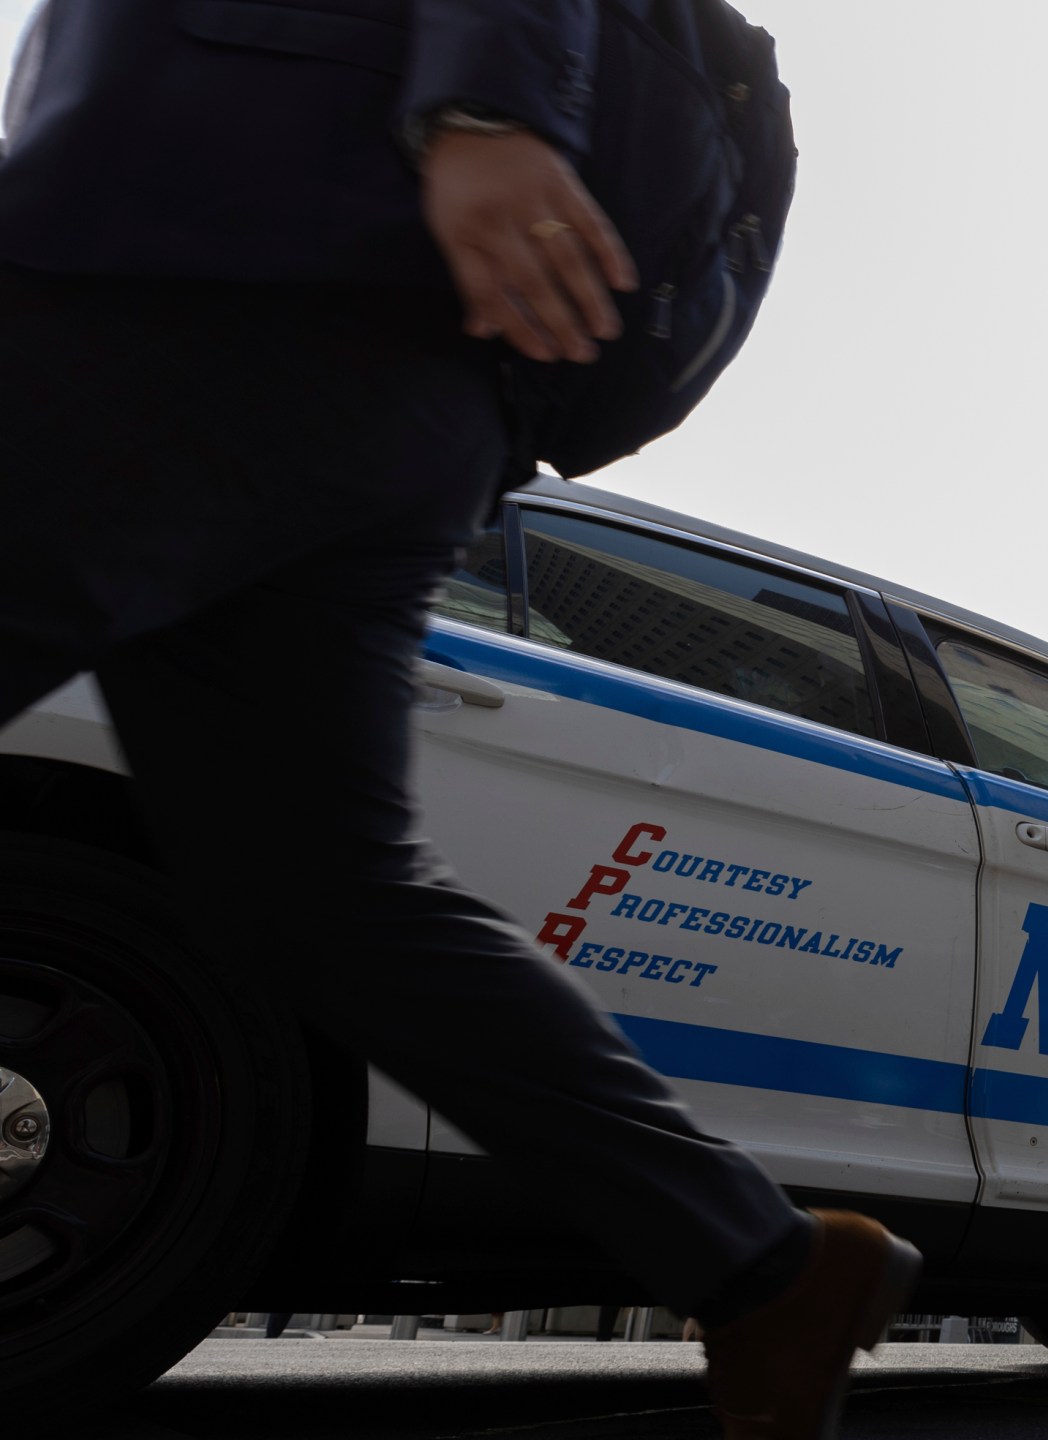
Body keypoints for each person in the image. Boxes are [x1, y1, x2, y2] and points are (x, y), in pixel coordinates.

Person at [0, 4, 911, 1435]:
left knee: (325, 887)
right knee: (319, 890)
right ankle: (763, 1267)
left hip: (216, 249)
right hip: (417, 379)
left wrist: (490, 112)